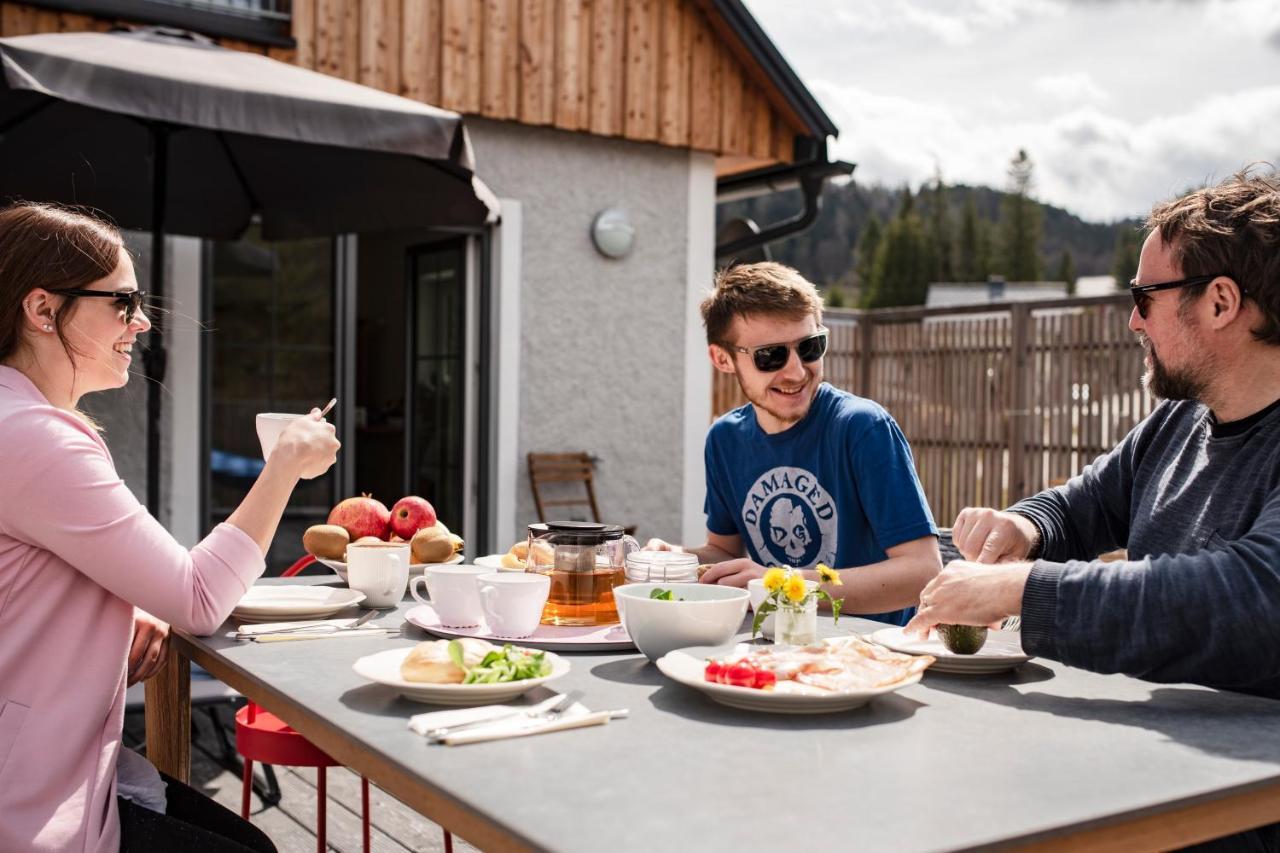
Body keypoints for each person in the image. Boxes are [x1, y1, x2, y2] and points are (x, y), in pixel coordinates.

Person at [0, 202, 340, 852]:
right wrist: (286, 466)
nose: (144, 320)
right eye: (123, 302)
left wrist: (109, 615)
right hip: (29, 807)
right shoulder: (36, 439)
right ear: (43, 310)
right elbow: (199, 598)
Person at [905, 169, 1280, 700]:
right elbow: (1082, 507)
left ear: (1220, 302)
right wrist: (1023, 527)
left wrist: (1017, 588)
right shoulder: (1179, 422)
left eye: (1144, 295)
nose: (1133, 320)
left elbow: (1251, 600)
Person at [646, 262, 939, 625]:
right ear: (722, 358)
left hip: (871, 651)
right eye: (771, 356)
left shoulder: (862, 427)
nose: (797, 371)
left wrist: (784, 585)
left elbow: (923, 573)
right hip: (772, 644)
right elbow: (724, 550)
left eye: (810, 347)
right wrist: (680, 559)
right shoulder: (724, 439)